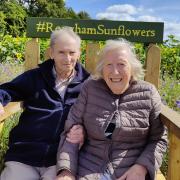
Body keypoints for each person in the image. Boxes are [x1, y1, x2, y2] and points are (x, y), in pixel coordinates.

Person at [56, 38, 168, 180]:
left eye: (121, 64)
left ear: (132, 68)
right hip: (88, 169)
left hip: (129, 171)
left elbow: (158, 139)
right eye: (109, 65)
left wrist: (142, 166)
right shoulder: (90, 89)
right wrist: (66, 171)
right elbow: (71, 134)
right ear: (102, 69)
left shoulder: (148, 93)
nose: (115, 72)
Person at [0, 27, 89, 180]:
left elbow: (100, 115)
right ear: (51, 53)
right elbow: (7, 90)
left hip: (61, 160)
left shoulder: (88, 85)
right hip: (25, 155)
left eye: (72, 53)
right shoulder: (35, 77)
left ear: (79, 53)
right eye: (61, 52)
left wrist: (85, 132)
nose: (67, 58)